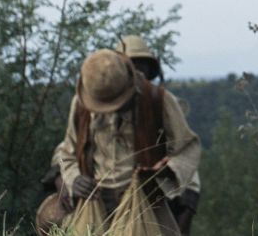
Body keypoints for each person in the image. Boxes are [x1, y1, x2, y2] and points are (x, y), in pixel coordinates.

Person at [35, 48, 201, 235]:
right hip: (94, 203)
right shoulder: (81, 104)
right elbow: (67, 152)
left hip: (145, 204)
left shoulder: (157, 100)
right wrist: (74, 178)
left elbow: (188, 147)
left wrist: (164, 173)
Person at [116, 35, 202, 235]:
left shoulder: (160, 101)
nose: (136, 72)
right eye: (130, 66)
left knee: (190, 184)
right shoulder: (99, 102)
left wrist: (167, 169)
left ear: (148, 70)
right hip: (110, 184)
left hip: (153, 183)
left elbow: (185, 148)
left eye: (141, 66)